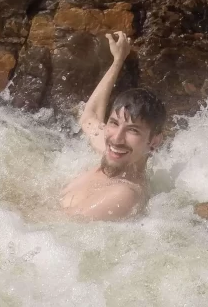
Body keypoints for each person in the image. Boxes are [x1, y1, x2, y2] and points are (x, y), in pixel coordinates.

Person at [59, 30, 166, 221]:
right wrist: (118, 61)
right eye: (114, 123)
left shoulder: (124, 194)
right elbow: (89, 118)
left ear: (155, 141)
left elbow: (56, 225)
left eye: (133, 130)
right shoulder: (112, 149)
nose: (116, 138)